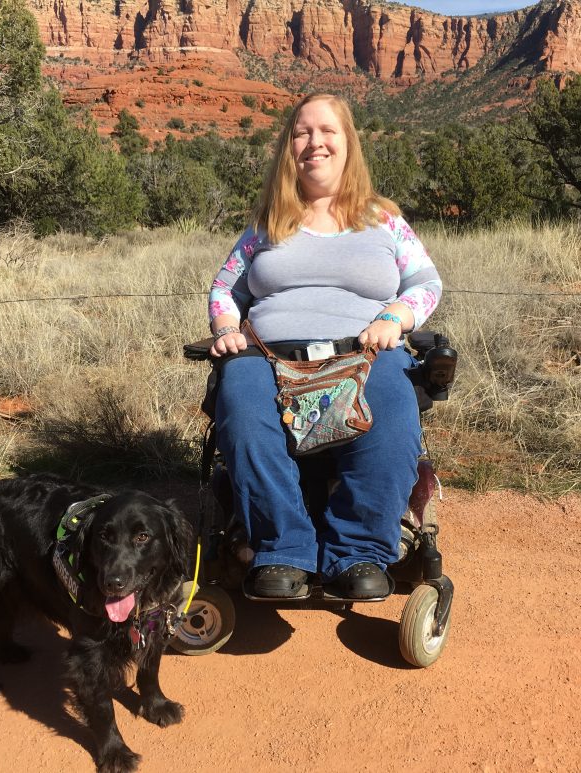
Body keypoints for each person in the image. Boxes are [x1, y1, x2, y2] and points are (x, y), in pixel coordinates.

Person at [206, 93, 442, 600]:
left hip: (364, 351)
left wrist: (395, 317)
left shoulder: (384, 220)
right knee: (242, 408)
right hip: (269, 355)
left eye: (327, 131)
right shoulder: (265, 225)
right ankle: (282, 550)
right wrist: (227, 325)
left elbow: (426, 282)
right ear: (288, 149)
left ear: (348, 142)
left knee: (396, 411)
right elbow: (226, 287)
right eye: (301, 132)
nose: (315, 142)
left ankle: (358, 551)